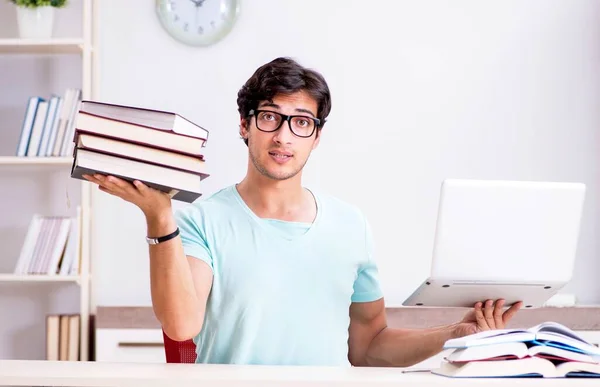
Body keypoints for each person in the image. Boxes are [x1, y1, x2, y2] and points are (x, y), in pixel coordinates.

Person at [83, 57, 522, 367]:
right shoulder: (201, 220)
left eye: (301, 122)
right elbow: (181, 326)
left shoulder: (352, 226)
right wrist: (160, 217)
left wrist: (453, 334)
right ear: (245, 124)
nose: (283, 137)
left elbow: (368, 348)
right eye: (270, 117)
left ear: (316, 136)